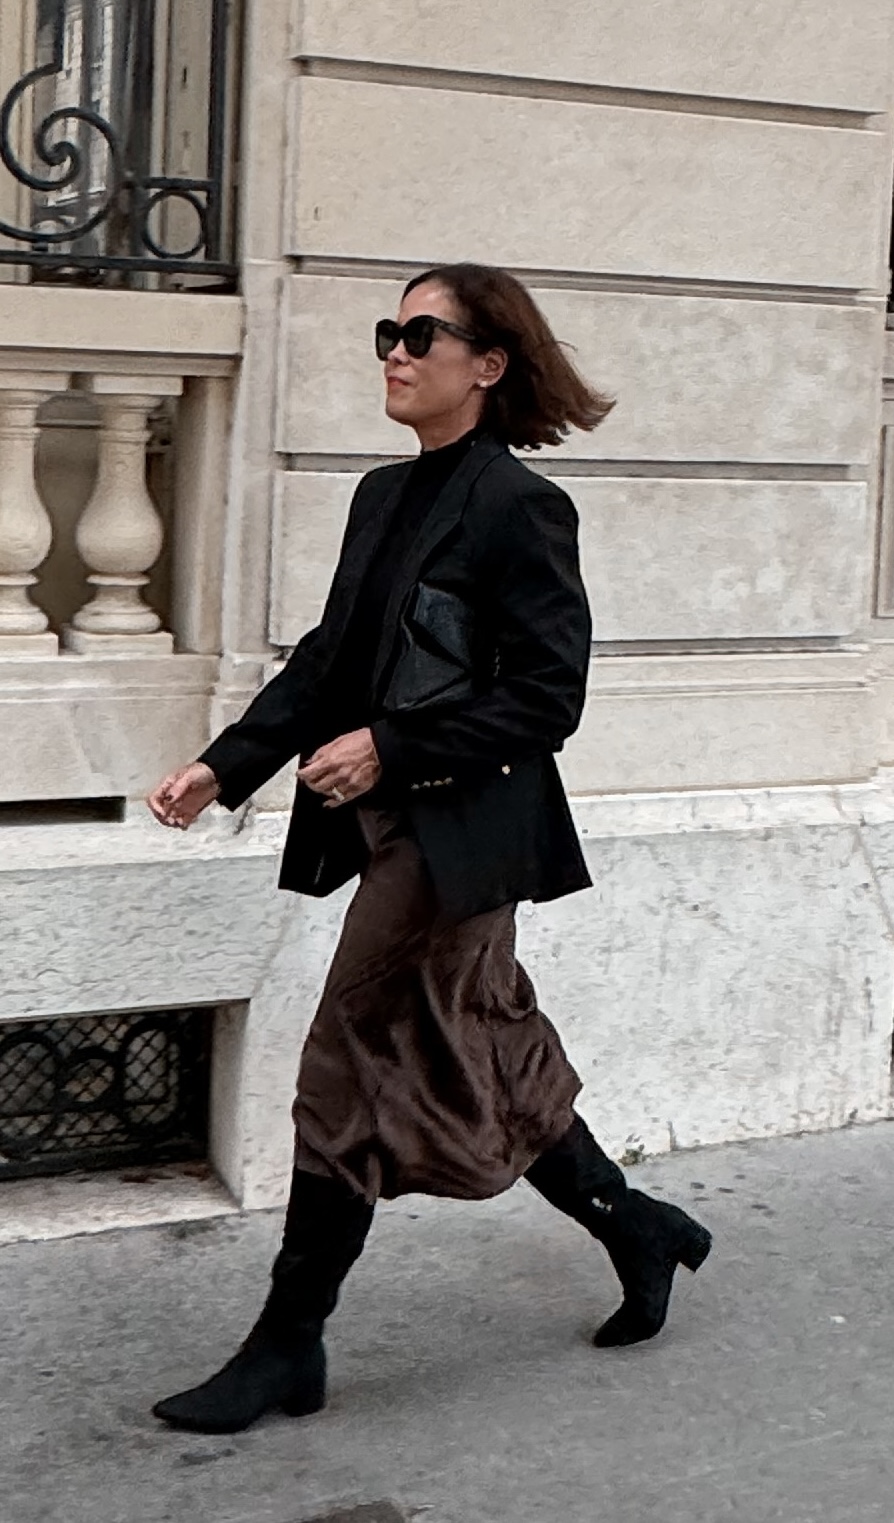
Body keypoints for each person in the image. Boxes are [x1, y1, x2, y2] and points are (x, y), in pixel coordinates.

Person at [147, 262, 712, 1436]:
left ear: (488, 364)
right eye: (388, 333)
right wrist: (226, 763)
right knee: (486, 1044)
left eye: (421, 334)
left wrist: (391, 747)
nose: (395, 354)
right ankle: (637, 1224)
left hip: (458, 836)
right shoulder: (382, 495)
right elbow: (331, 657)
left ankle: (287, 1342)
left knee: (344, 1059)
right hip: (393, 827)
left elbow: (548, 697)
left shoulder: (521, 507)